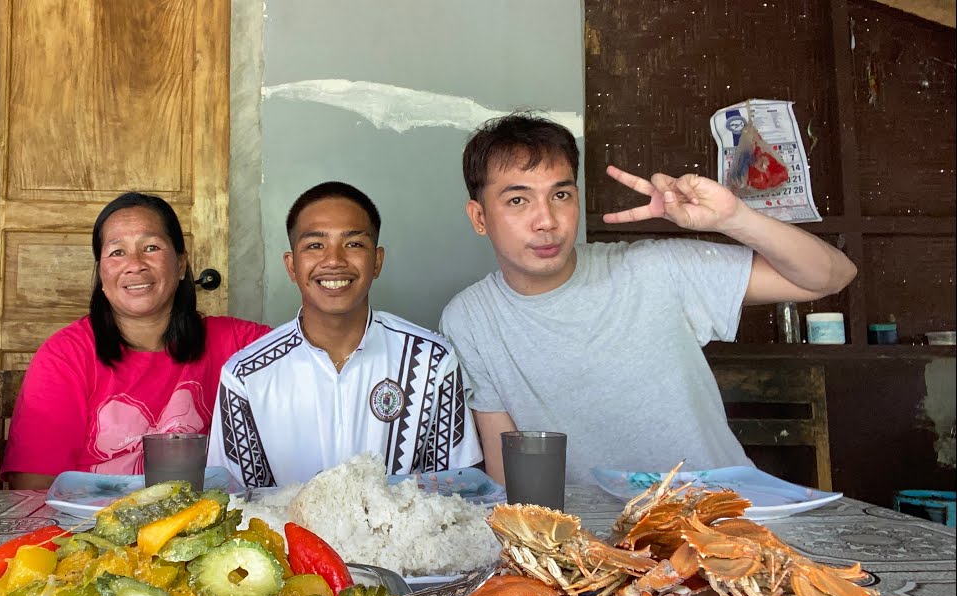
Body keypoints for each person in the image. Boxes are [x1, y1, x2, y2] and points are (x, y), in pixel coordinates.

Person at [439, 112, 858, 486]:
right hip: (596, 546)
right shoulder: (470, 319)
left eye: (561, 195)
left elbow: (833, 276)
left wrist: (735, 219)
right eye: (518, 200)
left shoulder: (653, 269)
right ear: (479, 217)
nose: (546, 220)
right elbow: (507, 474)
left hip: (722, 521)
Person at [209, 181, 483, 487]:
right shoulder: (246, 375)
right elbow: (237, 502)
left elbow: (455, 492)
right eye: (315, 245)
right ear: (291, 265)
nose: (334, 261)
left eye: (353, 244)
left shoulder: (432, 360)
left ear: (377, 261)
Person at [1, 193, 271, 489]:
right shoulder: (64, 356)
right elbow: (33, 487)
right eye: (117, 252)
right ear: (101, 273)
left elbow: (312, 351)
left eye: (151, 247)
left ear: (181, 265)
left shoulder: (235, 342)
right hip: (89, 529)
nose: (135, 264)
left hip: (203, 527)